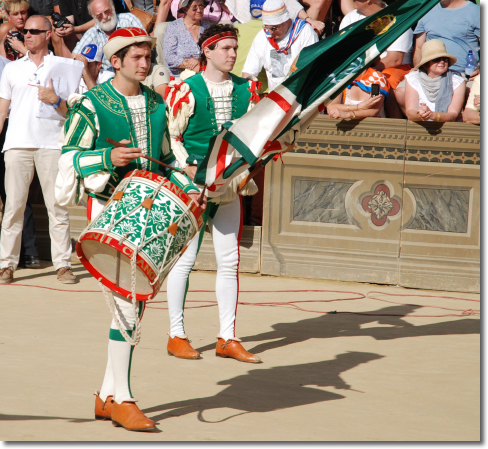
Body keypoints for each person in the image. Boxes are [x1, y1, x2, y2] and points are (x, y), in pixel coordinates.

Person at [55, 27, 205, 432]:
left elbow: (173, 156)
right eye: (137, 57)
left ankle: (108, 396)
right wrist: (107, 154)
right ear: (115, 61)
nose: (146, 63)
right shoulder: (91, 103)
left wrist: (192, 187)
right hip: (112, 210)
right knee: (127, 304)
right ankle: (123, 399)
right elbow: (69, 157)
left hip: (151, 212)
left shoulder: (158, 103)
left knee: (132, 305)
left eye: (147, 56)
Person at [164, 23, 262, 362]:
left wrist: (244, 168)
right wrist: (187, 171)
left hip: (229, 185)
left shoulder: (247, 90)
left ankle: (227, 337)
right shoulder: (185, 89)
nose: (233, 54)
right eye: (226, 48)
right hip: (192, 188)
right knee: (184, 260)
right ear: (206, 51)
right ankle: (176, 334)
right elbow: (172, 138)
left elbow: (254, 137)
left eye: (235, 48)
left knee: (230, 261)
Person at [0, 15, 76, 284]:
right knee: (13, 207)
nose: (27, 35)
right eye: (25, 31)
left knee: (58, 207)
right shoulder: (11, 69)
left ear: (48, 34)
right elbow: (2, 109)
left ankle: (63, 264)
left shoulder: (65, 66)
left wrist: (56, 100)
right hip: (17, 143)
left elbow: (73, 113)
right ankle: (6, 265)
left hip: (52, 143)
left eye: (34, 31)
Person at [338, 0, 413, 118]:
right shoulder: (350, 18)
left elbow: (395, 59)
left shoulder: (398, 18)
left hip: (392, 67)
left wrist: (366, 72)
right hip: (359, 66)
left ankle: (395, 128)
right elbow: (342, 50)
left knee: (386, 82)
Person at [242, 0, 318, 93]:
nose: (270, 32)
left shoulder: (305, 32)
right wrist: (250, 87)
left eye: (274, 28)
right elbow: (249, 71)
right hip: (276, 100)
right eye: (267, 27)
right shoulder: (262, 36)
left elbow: (313, 69)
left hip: (302, 95)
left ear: (286, 21)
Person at [412, 0, 480, 80]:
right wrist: (419, 70)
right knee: (401, 90)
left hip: (463, 75)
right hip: (431, 74)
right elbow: (419, 47)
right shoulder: (426, 10)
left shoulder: (476, 11)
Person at [72, 0, 144, 71]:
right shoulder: (92, 33)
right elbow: (73, 58)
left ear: (113, 7)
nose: (105, 17)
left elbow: (146, 43)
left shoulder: (129, 20)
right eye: (99, 15)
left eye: (107, 11)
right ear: (94, 17)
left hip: (136, 68)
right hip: (107, 77)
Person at [405, 39, 465, 123]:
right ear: (426, 63)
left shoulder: (457, 81)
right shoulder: (413, 78)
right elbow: (410, 112)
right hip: (421, 126)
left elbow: (453, 115)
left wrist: (432, 115)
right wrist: (420, 115)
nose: (442, 62)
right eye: (436, 59)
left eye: (445, 59)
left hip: (449, 129)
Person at [163, 0, 210, 79]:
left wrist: (200, 62)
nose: (199, 10)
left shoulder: (208, 28)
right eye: (194, 7)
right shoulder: (173, 27)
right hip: (178, 77)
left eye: (201, 6)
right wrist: (189, 64)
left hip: (203, 75)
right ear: (185, 9)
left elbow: (214, 53)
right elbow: (169, 57)